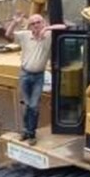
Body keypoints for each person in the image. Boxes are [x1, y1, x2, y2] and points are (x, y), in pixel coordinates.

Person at [4, 11, 63, 142]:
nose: (36, 25)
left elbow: (64, 27)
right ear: (30, 26)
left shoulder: (48, 35)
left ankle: (31, 134)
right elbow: (8, 34)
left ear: (43, 23)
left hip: (38, 77)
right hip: (25, 75)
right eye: (33, 23)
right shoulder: (25, 36)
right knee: (27, 105)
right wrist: (15, 22)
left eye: (39, 22)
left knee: (34, 106)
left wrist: (47, 28)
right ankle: (25, 131)